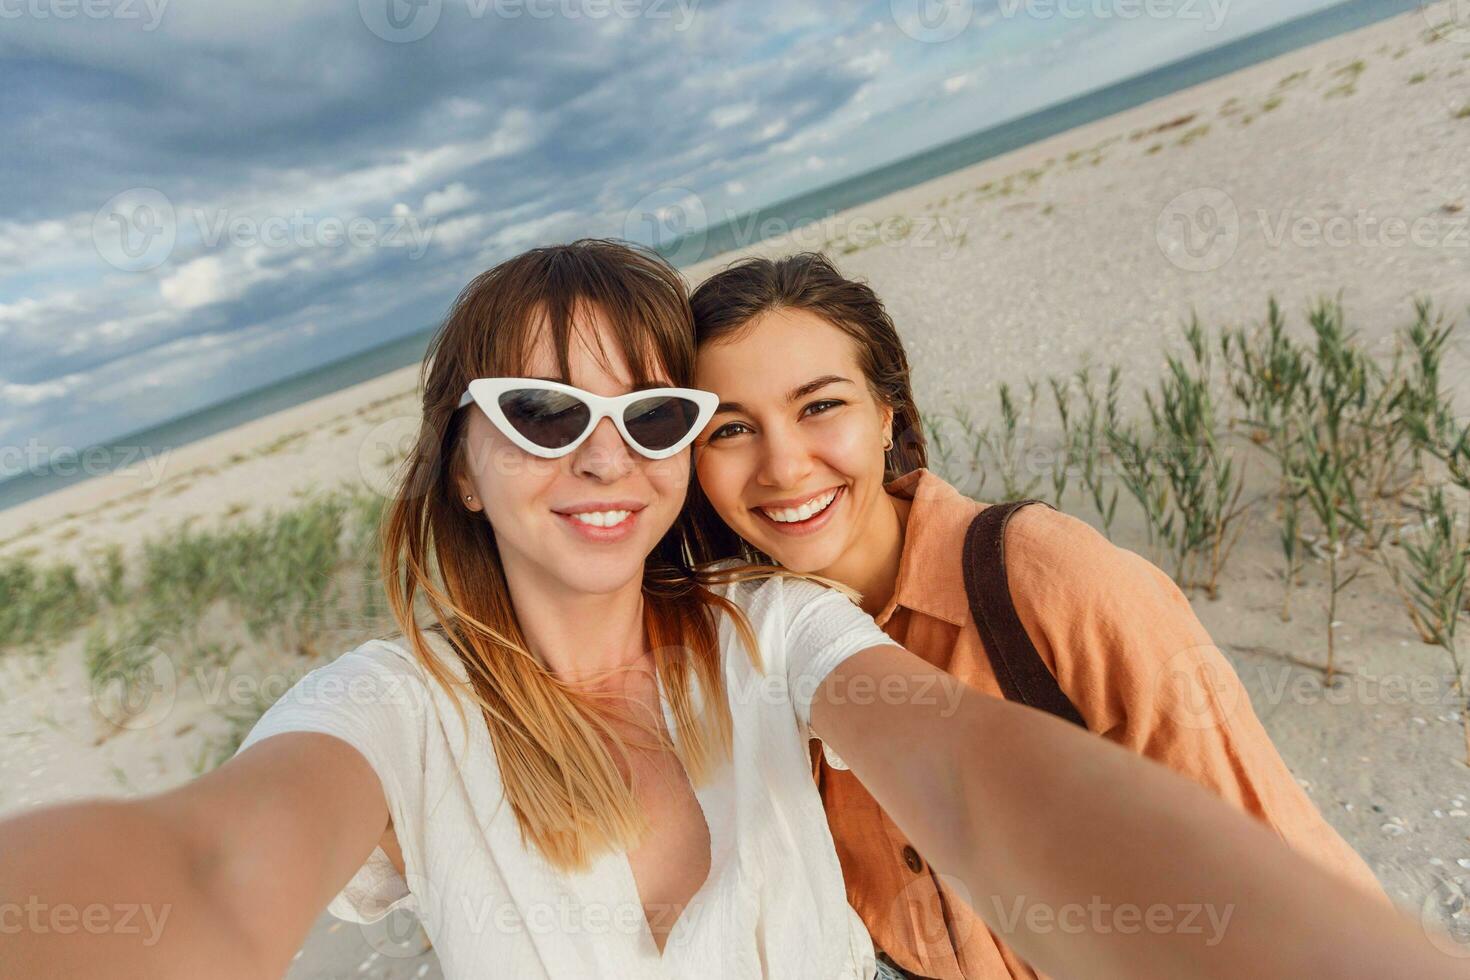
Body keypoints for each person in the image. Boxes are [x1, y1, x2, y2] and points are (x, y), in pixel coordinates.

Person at [0, 241, 1456, 980]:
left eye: (650, 413)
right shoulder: (396, 712)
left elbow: (966, 770)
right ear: (457, 457)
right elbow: (196, 870)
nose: (601, 452)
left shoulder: (772, 632)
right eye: (542, 407)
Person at [686, 251, 1390, 980]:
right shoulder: (733, 650)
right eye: (732, 429)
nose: (784, 466)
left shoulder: (1046, 579)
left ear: (886, 414)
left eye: (820, 406)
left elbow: (1270, 851)